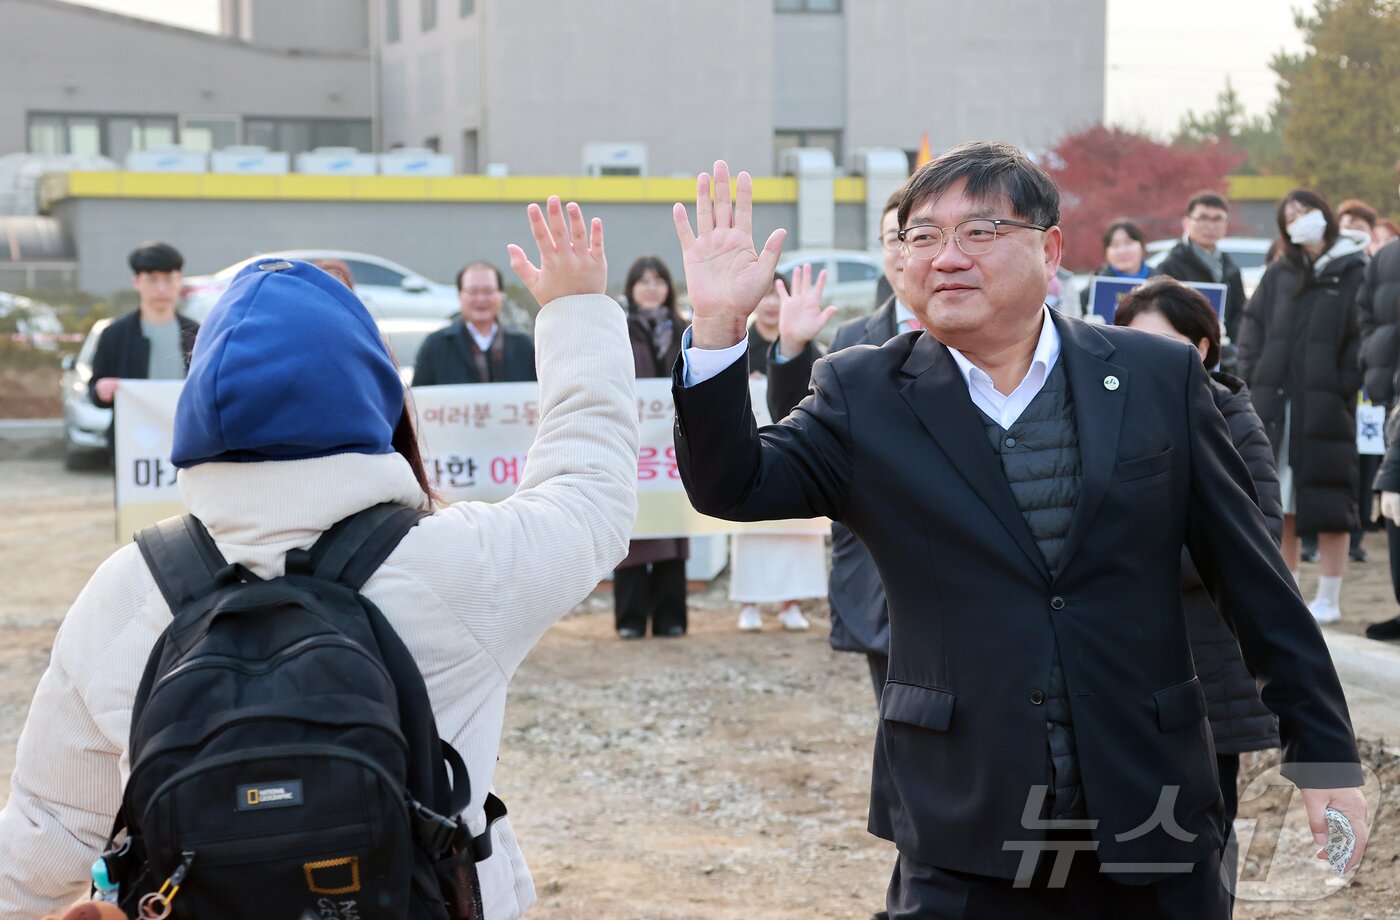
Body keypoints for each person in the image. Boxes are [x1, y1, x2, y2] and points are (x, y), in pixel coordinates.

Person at [670, 148, 1367, 918]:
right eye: (921, 237)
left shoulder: (1155, 379)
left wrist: (1324, 756)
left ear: (1050, 247)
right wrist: (717, 326)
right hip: (963, 821)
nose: (947, 258)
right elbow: (733, 484)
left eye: (979, 230)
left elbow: (1252, 580)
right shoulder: (861, 392)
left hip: (1151, 807)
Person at [0, 197, 640, 919]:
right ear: (374, 394)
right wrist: (578, 308)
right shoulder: (454, 566)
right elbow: (590, 498)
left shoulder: (125, 591)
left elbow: (44, 837)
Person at [1116, 279, 1282, 903]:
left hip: (1206, 657)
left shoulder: (1231, 417)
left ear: (1203, 349)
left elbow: (1259, 530)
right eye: (1130, 340)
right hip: (1125, 657)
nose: (1145, 356)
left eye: (1165, 343)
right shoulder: (1104, 411)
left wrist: (1138, 559)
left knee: (1205, 827)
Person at [766, 189, 909, 701]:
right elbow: (800, 425)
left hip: (966, 564)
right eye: (893, 237)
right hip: (878, 565)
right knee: (896, 720)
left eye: (917, 235)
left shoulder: (978, 330)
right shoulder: (856, 335)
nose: (903, 249)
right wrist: (793, 349)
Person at [1238, 189, 1368, 624]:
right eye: (1289, 215)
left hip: (1326, 405)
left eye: (1305, 210)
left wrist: (1343, 383)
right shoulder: (1281, 272)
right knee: (1281, 501)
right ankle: (1289, 587)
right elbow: (1252, 326)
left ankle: (1329, 596)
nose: (1298, 219)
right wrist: (1254, 375)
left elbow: (1362, 334)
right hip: (1274, 402)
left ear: (1324, 213)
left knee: (1332, 500)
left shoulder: (1353, 269)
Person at [729, 272, 826, 633]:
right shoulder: (740, 341)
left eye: (777, 295)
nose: (770, 303)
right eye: (765, 295)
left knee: (796, 531)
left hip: (797, 448)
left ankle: (791, 602)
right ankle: (749, 603)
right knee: (751, 529)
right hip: (751, 446)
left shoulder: (806, 344)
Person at [614, 255, 689, 639]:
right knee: (631, 529)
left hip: (673, 448)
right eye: (642, 281)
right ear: (631, 288)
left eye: (658, 280)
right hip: (631, 445)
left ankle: (670, 617)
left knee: (672, 528)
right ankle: (629, 618)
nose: (651, 287)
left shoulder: (683, 328)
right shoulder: (617, 329)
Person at [89, 242, 199, 455]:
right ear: (137, 282)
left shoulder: (197, 333)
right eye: (152, 279)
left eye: (168, 279)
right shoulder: (115, 334)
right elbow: (95, 388)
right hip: (133, 444)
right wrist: (101, 390)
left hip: (187, 440)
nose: (161, 288)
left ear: (180, 281)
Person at [1357, 179, 1400, 642]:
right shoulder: (1388, 256)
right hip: (1391, 397)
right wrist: (1373, 361)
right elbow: (1365, 313)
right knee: (1394, 508)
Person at [412, 261, 537, 385]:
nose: (481, 298)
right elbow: (419, 398)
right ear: (460, 295)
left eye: (488, 291)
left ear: (500, 294)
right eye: (472, 291)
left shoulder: (523, 344)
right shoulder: (436, 345)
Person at [1155, 191, 1248, 348]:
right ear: (1186, 222)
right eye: (1203, 218)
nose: (1210, 226)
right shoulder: (1170, 266)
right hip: (1183, 349)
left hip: (1223, 351)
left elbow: (1240, 312)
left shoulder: (1230, 267)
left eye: (1218, 219)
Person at [1078, 218, 1153, 313]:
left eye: (1128, 242)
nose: (1122, 251)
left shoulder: (1162, 283)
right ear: (1106, 254)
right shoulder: (1091, 293)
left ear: (1142, 246)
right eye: (1115, 245)